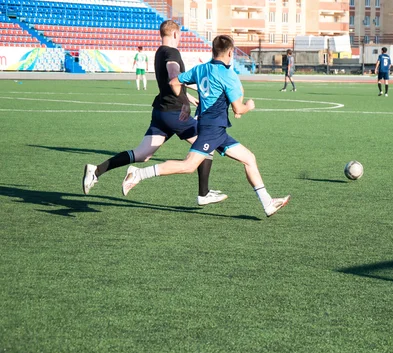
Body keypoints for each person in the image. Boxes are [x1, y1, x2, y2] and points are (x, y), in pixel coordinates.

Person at [122, 35, 290, 217]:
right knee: (188, 166)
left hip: (214, 128)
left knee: (249, 158)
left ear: (213, 50)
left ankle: (267, 203)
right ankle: (138, 174)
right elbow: (238, 109)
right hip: (212, 129)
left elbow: (174, 82)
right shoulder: (228, 75)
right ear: (231, 52)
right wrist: (248, 106)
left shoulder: (201, 68)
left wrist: (184, 102)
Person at [83, 20, 227, 206]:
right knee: (206, 146)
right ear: (175, 34)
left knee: (142, 154)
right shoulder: (172, 53)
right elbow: (173, 76)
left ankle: (96, 171)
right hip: (174, 113)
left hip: (162, 111)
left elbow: (172, 83)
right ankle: (204, 193)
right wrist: (184, 101)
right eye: (180, 34)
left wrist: (188, 96)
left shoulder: (160, 52)